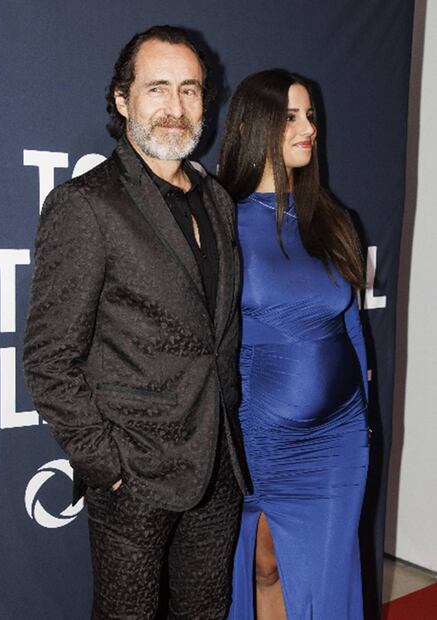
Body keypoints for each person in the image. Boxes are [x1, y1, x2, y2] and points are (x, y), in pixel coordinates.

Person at [23, 25, 251, 620]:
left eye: (191, 90)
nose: (176, 108)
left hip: (218, 461)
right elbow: (49, 359)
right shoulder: (86, 205)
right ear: (123, 99)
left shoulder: (217, 198)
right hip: (136, 471)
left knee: (206, 610)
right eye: (157, 89)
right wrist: (107, 467)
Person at [219, 70, 369, 619]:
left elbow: (352, 326)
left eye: (310, 117)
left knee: (328, 577)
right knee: (263, 565)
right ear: (255, 125)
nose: (308, 128)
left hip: (339, 439)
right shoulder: (221, 222)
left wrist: (363, 424)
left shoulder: (333, 221)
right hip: (259, 440)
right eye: (290, 117)